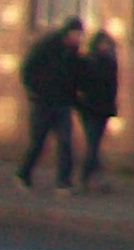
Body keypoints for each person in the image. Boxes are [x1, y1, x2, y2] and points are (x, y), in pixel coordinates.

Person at [16, 19, 85, 194]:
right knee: (38, 142)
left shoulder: (73, 53)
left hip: (62, 103)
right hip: (43, 103)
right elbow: (27, 69)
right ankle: (23, 173)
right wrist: (35, 92)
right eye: (76, 34)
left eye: (80, 35)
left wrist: (74, 97)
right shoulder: (47, 46)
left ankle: (63, 182)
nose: (78, 38)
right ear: (68, 33)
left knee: (65, 141)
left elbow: (75, 77)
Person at [72, 29, 120, 192]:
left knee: (94, 144)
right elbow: (79, 83)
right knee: (93, 144)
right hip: (91, 108)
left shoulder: (108, 62)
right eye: (104, 43)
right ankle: (87, 178)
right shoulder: (90, 61)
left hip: (99, 108)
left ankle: (95, 178)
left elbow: (112, 88)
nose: (106, 46)